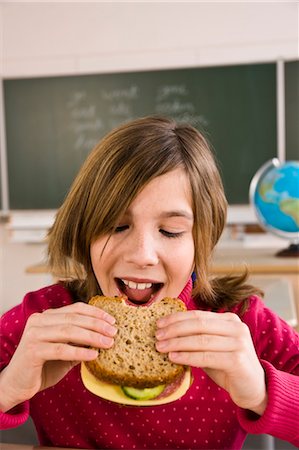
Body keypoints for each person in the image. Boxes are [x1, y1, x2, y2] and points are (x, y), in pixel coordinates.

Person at [0, 116, 298, 450]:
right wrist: (7, 388)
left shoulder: (242, 322)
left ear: (202, 239)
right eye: (116, 225)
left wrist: (262, 392)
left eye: (171, 231)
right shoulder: (43, 318)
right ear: (85, 231)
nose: (143, 255)